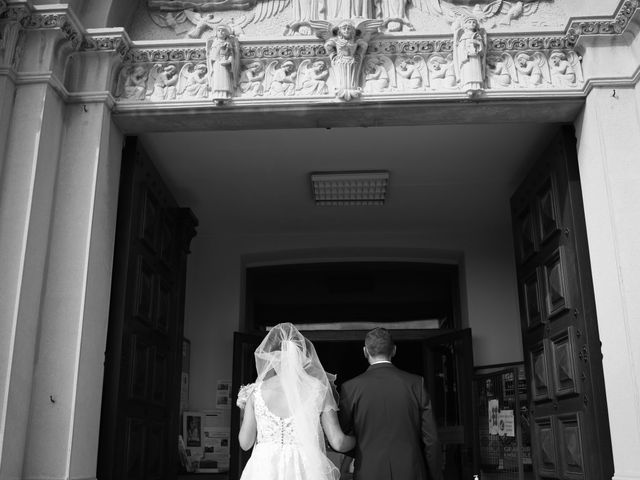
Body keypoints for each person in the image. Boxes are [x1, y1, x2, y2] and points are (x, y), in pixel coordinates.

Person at [236, 323, 355, 480]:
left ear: (272, 357)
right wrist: (361, 439)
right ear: (303, 356)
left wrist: (245, 410)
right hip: (305, 467)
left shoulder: (255, 392)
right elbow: (338, 442)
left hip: (263, 469)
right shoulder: (317, 390)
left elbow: (245, 443)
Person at [339, 327, 443, 480]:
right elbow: (432, 439)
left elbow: (341, 436)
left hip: (368, 472)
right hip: (410, 472)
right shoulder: (415, 383)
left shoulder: (350, 388)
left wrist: (363, 450)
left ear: (365, 351)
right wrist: (436, 476)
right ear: (394, 350)